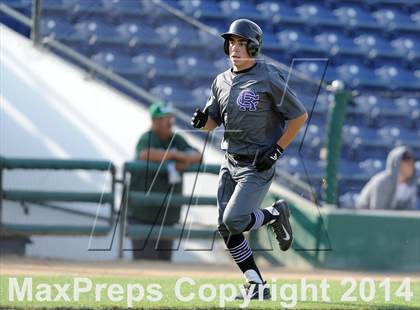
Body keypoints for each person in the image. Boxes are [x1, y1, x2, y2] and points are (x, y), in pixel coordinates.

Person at [191, 19, 308, 299]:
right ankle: (256, 284)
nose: (235, 48)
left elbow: (299, 115)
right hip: (230, 160)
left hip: (258, 163)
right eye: (232, 42)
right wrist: (202, 122)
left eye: (242, 43)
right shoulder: (220, 80)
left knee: (234, 220)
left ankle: (275, 213)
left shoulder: (268, 76)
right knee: (226, 226)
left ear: (254, 47)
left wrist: (277, 150)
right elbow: (213, 123)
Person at [129, 101, 202, 261]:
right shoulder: (148, 137)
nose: (170, 122)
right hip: (143, 216)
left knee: (164, 265)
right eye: (165, 118)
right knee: (146, 266)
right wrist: (174, 156)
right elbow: (146, 154)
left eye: (171, 117)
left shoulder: (177, 139)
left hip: (167, 217)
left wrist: (183, 158)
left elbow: (198, 156)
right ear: (155, 121)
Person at [356, 146, 417, 210]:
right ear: (397, 163)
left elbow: (409, 211)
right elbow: (377, 212)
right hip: (364, 218)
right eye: (407, 163)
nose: (411, 166)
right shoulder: (382, 182)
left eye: (412, 163)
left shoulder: (410, 185)